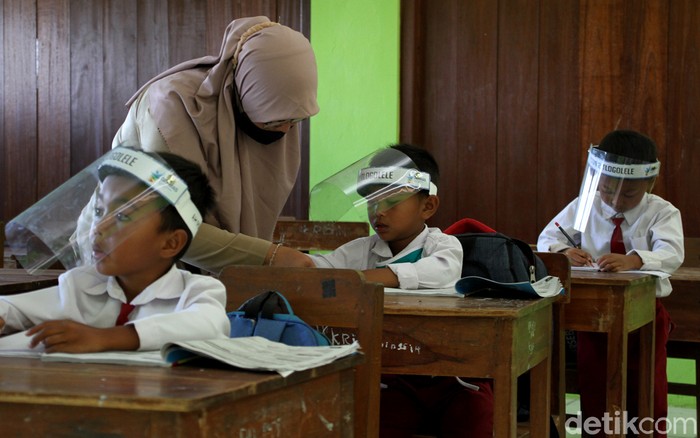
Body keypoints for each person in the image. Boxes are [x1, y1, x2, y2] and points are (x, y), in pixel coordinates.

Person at [106, 16, 319, 273]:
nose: (285, 130)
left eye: (295, 120)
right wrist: (267, 256)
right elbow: (168, 223)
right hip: (126, 260)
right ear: (242, 92)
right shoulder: (170, 107)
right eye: (274, 121)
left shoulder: (278, 111)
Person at [308, 143, 494, 437]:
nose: (378, 212)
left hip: (451, 378)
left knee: (477, 416)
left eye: (390, 202)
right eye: (371, 201)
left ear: (428, 206)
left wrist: (377, 277)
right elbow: (320, 270)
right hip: (391, 379)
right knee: (366, 419)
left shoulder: (442, 245)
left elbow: (442, 270)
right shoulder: (361, 250)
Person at [0, 147, 230, 353]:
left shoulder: (196, 292)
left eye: (122, 215)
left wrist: (104, 338)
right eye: (99, 211)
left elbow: (209, 325)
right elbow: (13, 309)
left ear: (171, 243)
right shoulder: (83, 287)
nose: (98, 227)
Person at [537, 130, 684, 437]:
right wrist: (565, 251)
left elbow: (671, 253)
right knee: (597, 386)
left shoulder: (661, 212)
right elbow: (548, 238)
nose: (616, 200)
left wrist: (636, 260)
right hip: (594, 319)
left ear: (649, 183)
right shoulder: (584, 206)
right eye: (606, 189)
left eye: (629, 194)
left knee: (646, 385)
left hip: (646, 318)